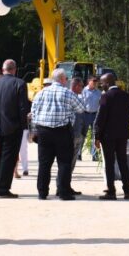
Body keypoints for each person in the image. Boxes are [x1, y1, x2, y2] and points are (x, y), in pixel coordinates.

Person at [30, 68, 84, 200]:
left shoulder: (41, 93)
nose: (67, 80)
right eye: (66, 78)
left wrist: (34, 131)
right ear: (62, 79)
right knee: (64, 163)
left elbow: (33, 112)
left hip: (44, 131)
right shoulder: (68, 93)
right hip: (62, 131)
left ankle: (42, 192)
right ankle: (64, 192)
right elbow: (81, 109)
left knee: (44, 164)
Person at [0, 59, 30, 198]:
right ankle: (2, 188)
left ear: (3, 69)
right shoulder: (19, 83)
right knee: (8, 158)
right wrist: (23, 126)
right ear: (14, 69)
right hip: (14, 126)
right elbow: (23, 107)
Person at [95, 73, 129, 200]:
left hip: (108, 135)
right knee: (123, 162)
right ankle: (127, 190)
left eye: (102, 83)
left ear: (107, 83)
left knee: (110, 163)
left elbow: (101, 118)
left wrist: (97, 136)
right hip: (122, 134)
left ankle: (111, 191)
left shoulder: (106, 96)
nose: (101, 86)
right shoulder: (126, 96)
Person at [77, 76, 101, 161]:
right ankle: (79, 154)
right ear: (89, 81)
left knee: (95, 135)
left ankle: (94, 155)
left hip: (95, 115)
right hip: (85, 114)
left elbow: (100, 104)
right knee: (83, 135)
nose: (95, 83)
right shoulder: (83, 91)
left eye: (96, 81)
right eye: (93, 81)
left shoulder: (99, 92)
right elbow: (79, 103)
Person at [67, 77, 85, 171]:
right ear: (76, 86)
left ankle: (66, 180)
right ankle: (64, 181)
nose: (83, 87)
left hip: (77, 133)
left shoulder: (76, 97)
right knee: (69, 160)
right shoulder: (70, 97)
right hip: (71, 133)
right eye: (81, 86)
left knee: (71, 160)